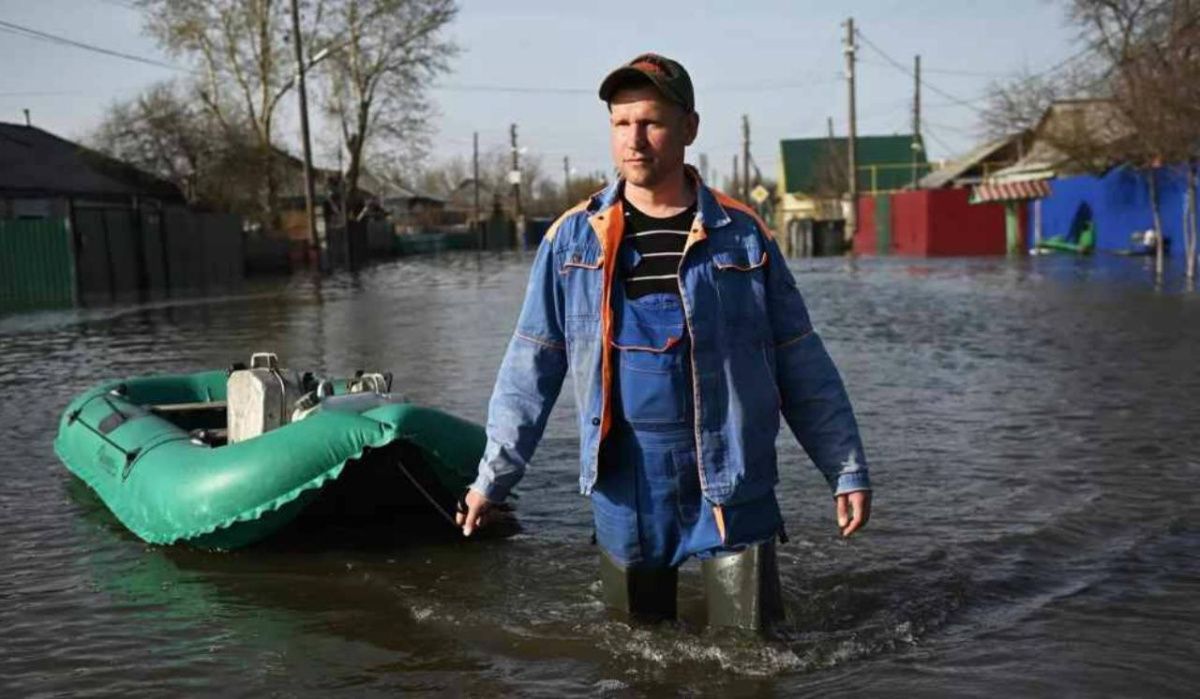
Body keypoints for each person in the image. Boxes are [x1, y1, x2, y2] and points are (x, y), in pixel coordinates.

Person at [457, 52, 872, 631]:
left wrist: (844, 468)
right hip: (626, 482)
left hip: (732, 476)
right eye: (621, 123)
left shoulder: (742, 235)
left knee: (749, 657)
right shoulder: (572, 239)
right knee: (636, 656)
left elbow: (799, 358)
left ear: (688, 128)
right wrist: (491, 479)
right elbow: (531, 366)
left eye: (651, 122)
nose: (635, 140)